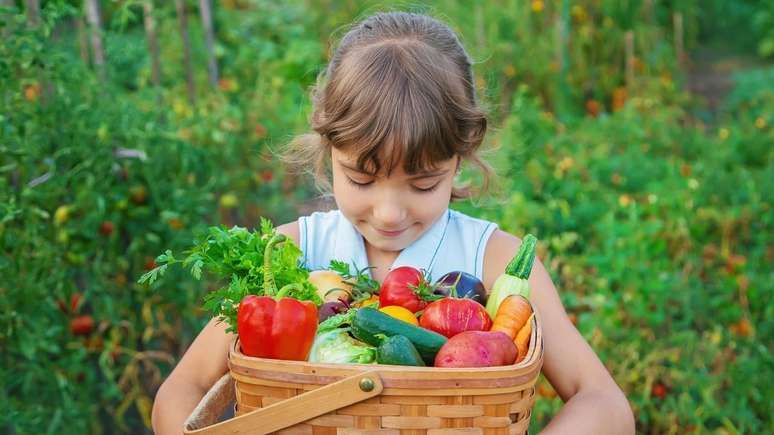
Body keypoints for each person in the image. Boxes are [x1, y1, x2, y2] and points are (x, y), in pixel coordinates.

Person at [152, 11, 634, 435]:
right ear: (328, 149)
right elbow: (182, 393)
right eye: (361, 178)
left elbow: (605, 405)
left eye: (422, 184)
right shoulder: (287, 256)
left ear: (461, 157)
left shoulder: (495, 261)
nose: (388, 213)